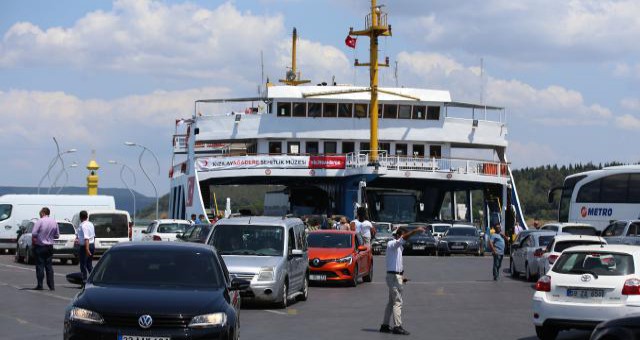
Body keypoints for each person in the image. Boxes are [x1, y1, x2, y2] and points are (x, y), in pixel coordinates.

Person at [380, 226, 425, 335]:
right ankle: (397, 326)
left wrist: (402, 275)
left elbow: (397, 263)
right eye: (404, 237)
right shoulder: (392, 244)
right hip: (393, 277)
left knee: (391, 302)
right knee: (397, 302)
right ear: (399, 236)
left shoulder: (399, 248)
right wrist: (415, 231)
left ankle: (385, 325)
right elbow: (403, 239)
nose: (405, 240)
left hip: (396, 276)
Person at [31, 207, 59, 290]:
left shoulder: (40, 221)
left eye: (40, 212)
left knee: (40, 266)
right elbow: (57, 235)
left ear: (43, 213)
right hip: (50, 246)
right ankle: (51, 285)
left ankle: (40, 285)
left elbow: (34, 233)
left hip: (40, 246)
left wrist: (40, 236)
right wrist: (49, 236)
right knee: (49, 266)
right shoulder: (54, 222)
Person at [77, 210, 96, 282]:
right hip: (91, 245)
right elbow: (93, 236)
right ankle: (94, 278)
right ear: (87, 216)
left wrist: (87, 249)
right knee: (89, 264)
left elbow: (86, 238)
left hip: (85, 246)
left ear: (80, 217)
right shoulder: (91, 224)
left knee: (83, 265)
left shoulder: (83, 225)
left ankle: (84, 280)